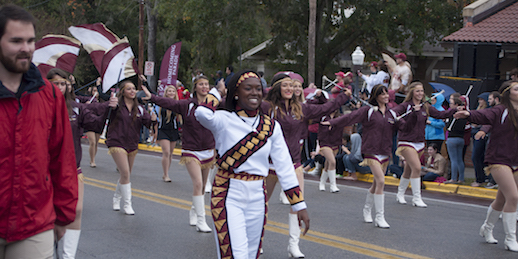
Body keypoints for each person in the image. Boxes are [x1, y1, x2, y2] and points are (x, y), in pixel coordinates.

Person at [192, 70, 309, 259]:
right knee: (235, 255)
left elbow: (285, 166)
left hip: (258, 194)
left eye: (258, 88)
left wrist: (299, 205)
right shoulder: (224, 119)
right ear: (236, 92)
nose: (255, 92)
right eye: (248, 88)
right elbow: (202, 113)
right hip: (228, 192)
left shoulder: (271, 126)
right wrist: (217, 91)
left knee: (251, 254)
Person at [0, 4, 78, 257]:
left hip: (35, 223)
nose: (26, 48)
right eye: (16, 41)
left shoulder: (50, 95)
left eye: (30, 40)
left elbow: (62, 159)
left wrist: (63, 214)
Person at [262, 72, 350, 257]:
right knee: (261, 205)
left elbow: (326, 108)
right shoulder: (267, 107)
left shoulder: (301, 109)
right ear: (276, 87)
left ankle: (293, 245)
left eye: (291, 86)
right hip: (269, 164)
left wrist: (343, 96)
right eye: (285, 85)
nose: (289, 89)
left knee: (297, 203)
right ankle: (256, 240)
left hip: (293, 163)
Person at [323, 84, 413, 228]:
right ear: (376, 96)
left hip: (385, 151)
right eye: (382, 94)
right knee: (381, 182)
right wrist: (332, 122)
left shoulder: (392, 114)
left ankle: (367, 209)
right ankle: (380, 217)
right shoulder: (368, 111)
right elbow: (350, 117)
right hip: (371, 151)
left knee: (377, 184)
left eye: (386, 94)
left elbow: (405, 127)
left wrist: (412, 115)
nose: (386, 96)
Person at [144, 75, 216, 233]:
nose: (204, 87)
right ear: (195, 87)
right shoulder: (187, 104)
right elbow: (170, 103)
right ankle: (201, 220)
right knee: (197, 183)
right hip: (191, 149)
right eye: (201, 84)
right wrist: (152, 97)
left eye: (207, 84)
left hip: (208, 149)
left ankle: (193, 210)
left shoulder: (215, 104)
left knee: (203, 186)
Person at [455, 82, 518, 252]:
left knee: (502, 199)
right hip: (499, 159)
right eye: (516, 89)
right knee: (513, 197)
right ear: (507, 93)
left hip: (516, 161)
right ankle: (511, 239)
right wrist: (468, 114)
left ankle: (487, 228)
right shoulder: (500, 110)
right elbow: (484, 115)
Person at [392, 82, 457, 208]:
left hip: (420, 143)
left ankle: (400, 193)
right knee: (417, 168)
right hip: (406, 141)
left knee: (408, 169)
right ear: (412, 92)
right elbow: (393, 114)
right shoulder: (406, 106)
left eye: (422, 91)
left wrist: (454, 110)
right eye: (417, 91)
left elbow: (440, 115)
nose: (420, 93)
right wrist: (407, 115)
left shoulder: (425, 107)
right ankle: (417, 197)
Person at [102, 80, 157, 215]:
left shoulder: (139, 109)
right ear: (123, 92)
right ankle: (127, 204)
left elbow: (147, 123)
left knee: (125, 174)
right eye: (129, 89)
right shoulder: (117, 106)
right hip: (117, 141)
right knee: (125, 173)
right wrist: (110, 105)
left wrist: (153, 119)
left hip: (132, 144)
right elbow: (104, 113)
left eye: (133, 89)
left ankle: (116, 197)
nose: (132, 91)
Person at [157, 84, 181, 182]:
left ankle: (165, 172)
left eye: (173, 91)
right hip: (163, 130)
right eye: (169, 91)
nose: (171, 93)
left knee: (170, 153)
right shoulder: (162, 103)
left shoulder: (178, 104)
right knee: (166, 152)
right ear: (166, 93)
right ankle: (166, 174)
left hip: (173, 130)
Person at [317, 109, 343, 192]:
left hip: (335, 143)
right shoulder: (323, 117)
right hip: (325, 143)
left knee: (328, 164)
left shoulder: (339, 117)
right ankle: (333, 185)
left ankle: (322, 182)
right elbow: (321, 131)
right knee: (332, 162)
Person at [445, 93, 468, 184]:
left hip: (452, 138)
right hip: (461, 138)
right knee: (460, 159)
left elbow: (447, 126)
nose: (450, 105)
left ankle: (454, 178)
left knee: (453, 159)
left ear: (456, 105)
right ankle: (461, 178)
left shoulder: (452, 114)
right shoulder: (464, 116)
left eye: (451, 103)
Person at [470, 92, 490, 187]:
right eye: (479, 100)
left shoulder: (487, 110)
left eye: (482, 100)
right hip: (474, 133)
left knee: (476, 156)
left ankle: (480, 179)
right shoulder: (478, 109)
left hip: (481, 135)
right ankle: (481, 176)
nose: (480, 102)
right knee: (478, 157)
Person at [85, 77, 103, 168]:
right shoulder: (88, 100)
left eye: (97, 90)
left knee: (96, 143)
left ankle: (93, 158)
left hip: (98, 123)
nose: (95, 92)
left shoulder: (102, 101)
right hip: (89, 122)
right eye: (93, 90)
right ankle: (92, 161)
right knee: (92, 142)